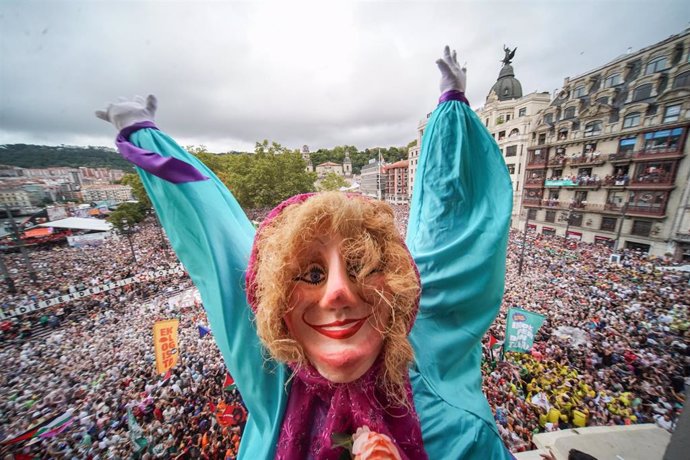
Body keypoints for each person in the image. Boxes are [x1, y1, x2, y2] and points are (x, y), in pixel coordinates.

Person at [95, 46, 512, 459]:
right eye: (311, 274)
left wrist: (452, 118)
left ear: (402, 287)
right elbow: (218, 246)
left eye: (361, 266)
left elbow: (454, 228)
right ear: (274, 307)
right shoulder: (274, 371)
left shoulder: (429, 346)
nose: (338, 293)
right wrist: (143, 137)